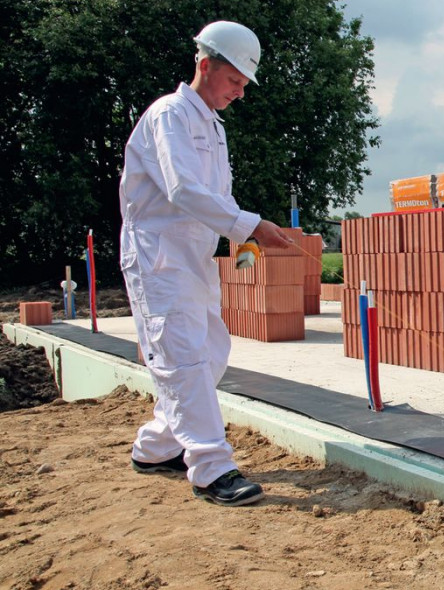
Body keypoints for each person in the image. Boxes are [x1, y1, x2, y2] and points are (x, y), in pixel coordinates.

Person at [118, 20, 293, 506]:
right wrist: (251, 225)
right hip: (158, 260)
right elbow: (182, 190)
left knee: (211, 350)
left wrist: (243, 242)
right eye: (234, 81)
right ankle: (212, 468)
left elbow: (217, 197)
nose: (239, 93)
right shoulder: (169, 115)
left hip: (192, 258)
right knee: (184, 360)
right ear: (205, 65)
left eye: (242, 85)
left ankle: (155, 447)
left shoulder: (212, 127)